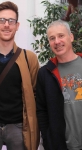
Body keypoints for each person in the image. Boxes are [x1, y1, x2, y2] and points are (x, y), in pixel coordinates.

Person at [0, 1, 40, 150]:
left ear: (17, 26)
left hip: (18, 127)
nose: (6, 25)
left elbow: (36, 93)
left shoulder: (29, 58)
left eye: (11, 21)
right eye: (2, 20)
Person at [36, 19, 82, 150]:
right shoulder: (45, 74)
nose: (57, 42)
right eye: (52, 38)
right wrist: (48, 140)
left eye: (61, 35)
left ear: (71, 37)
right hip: (60, 145)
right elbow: (42, 111)